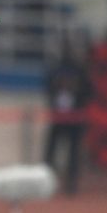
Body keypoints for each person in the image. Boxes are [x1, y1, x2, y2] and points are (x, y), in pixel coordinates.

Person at [43, 44, 92, 195]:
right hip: (58, 117)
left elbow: (89, 91)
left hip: (75, 118)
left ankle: (71, 185)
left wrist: (79, 96)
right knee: (51, 151)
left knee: (73, 153)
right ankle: (46, 182)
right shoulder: (55, 70)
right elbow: (47, 87)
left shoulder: (81, 71)